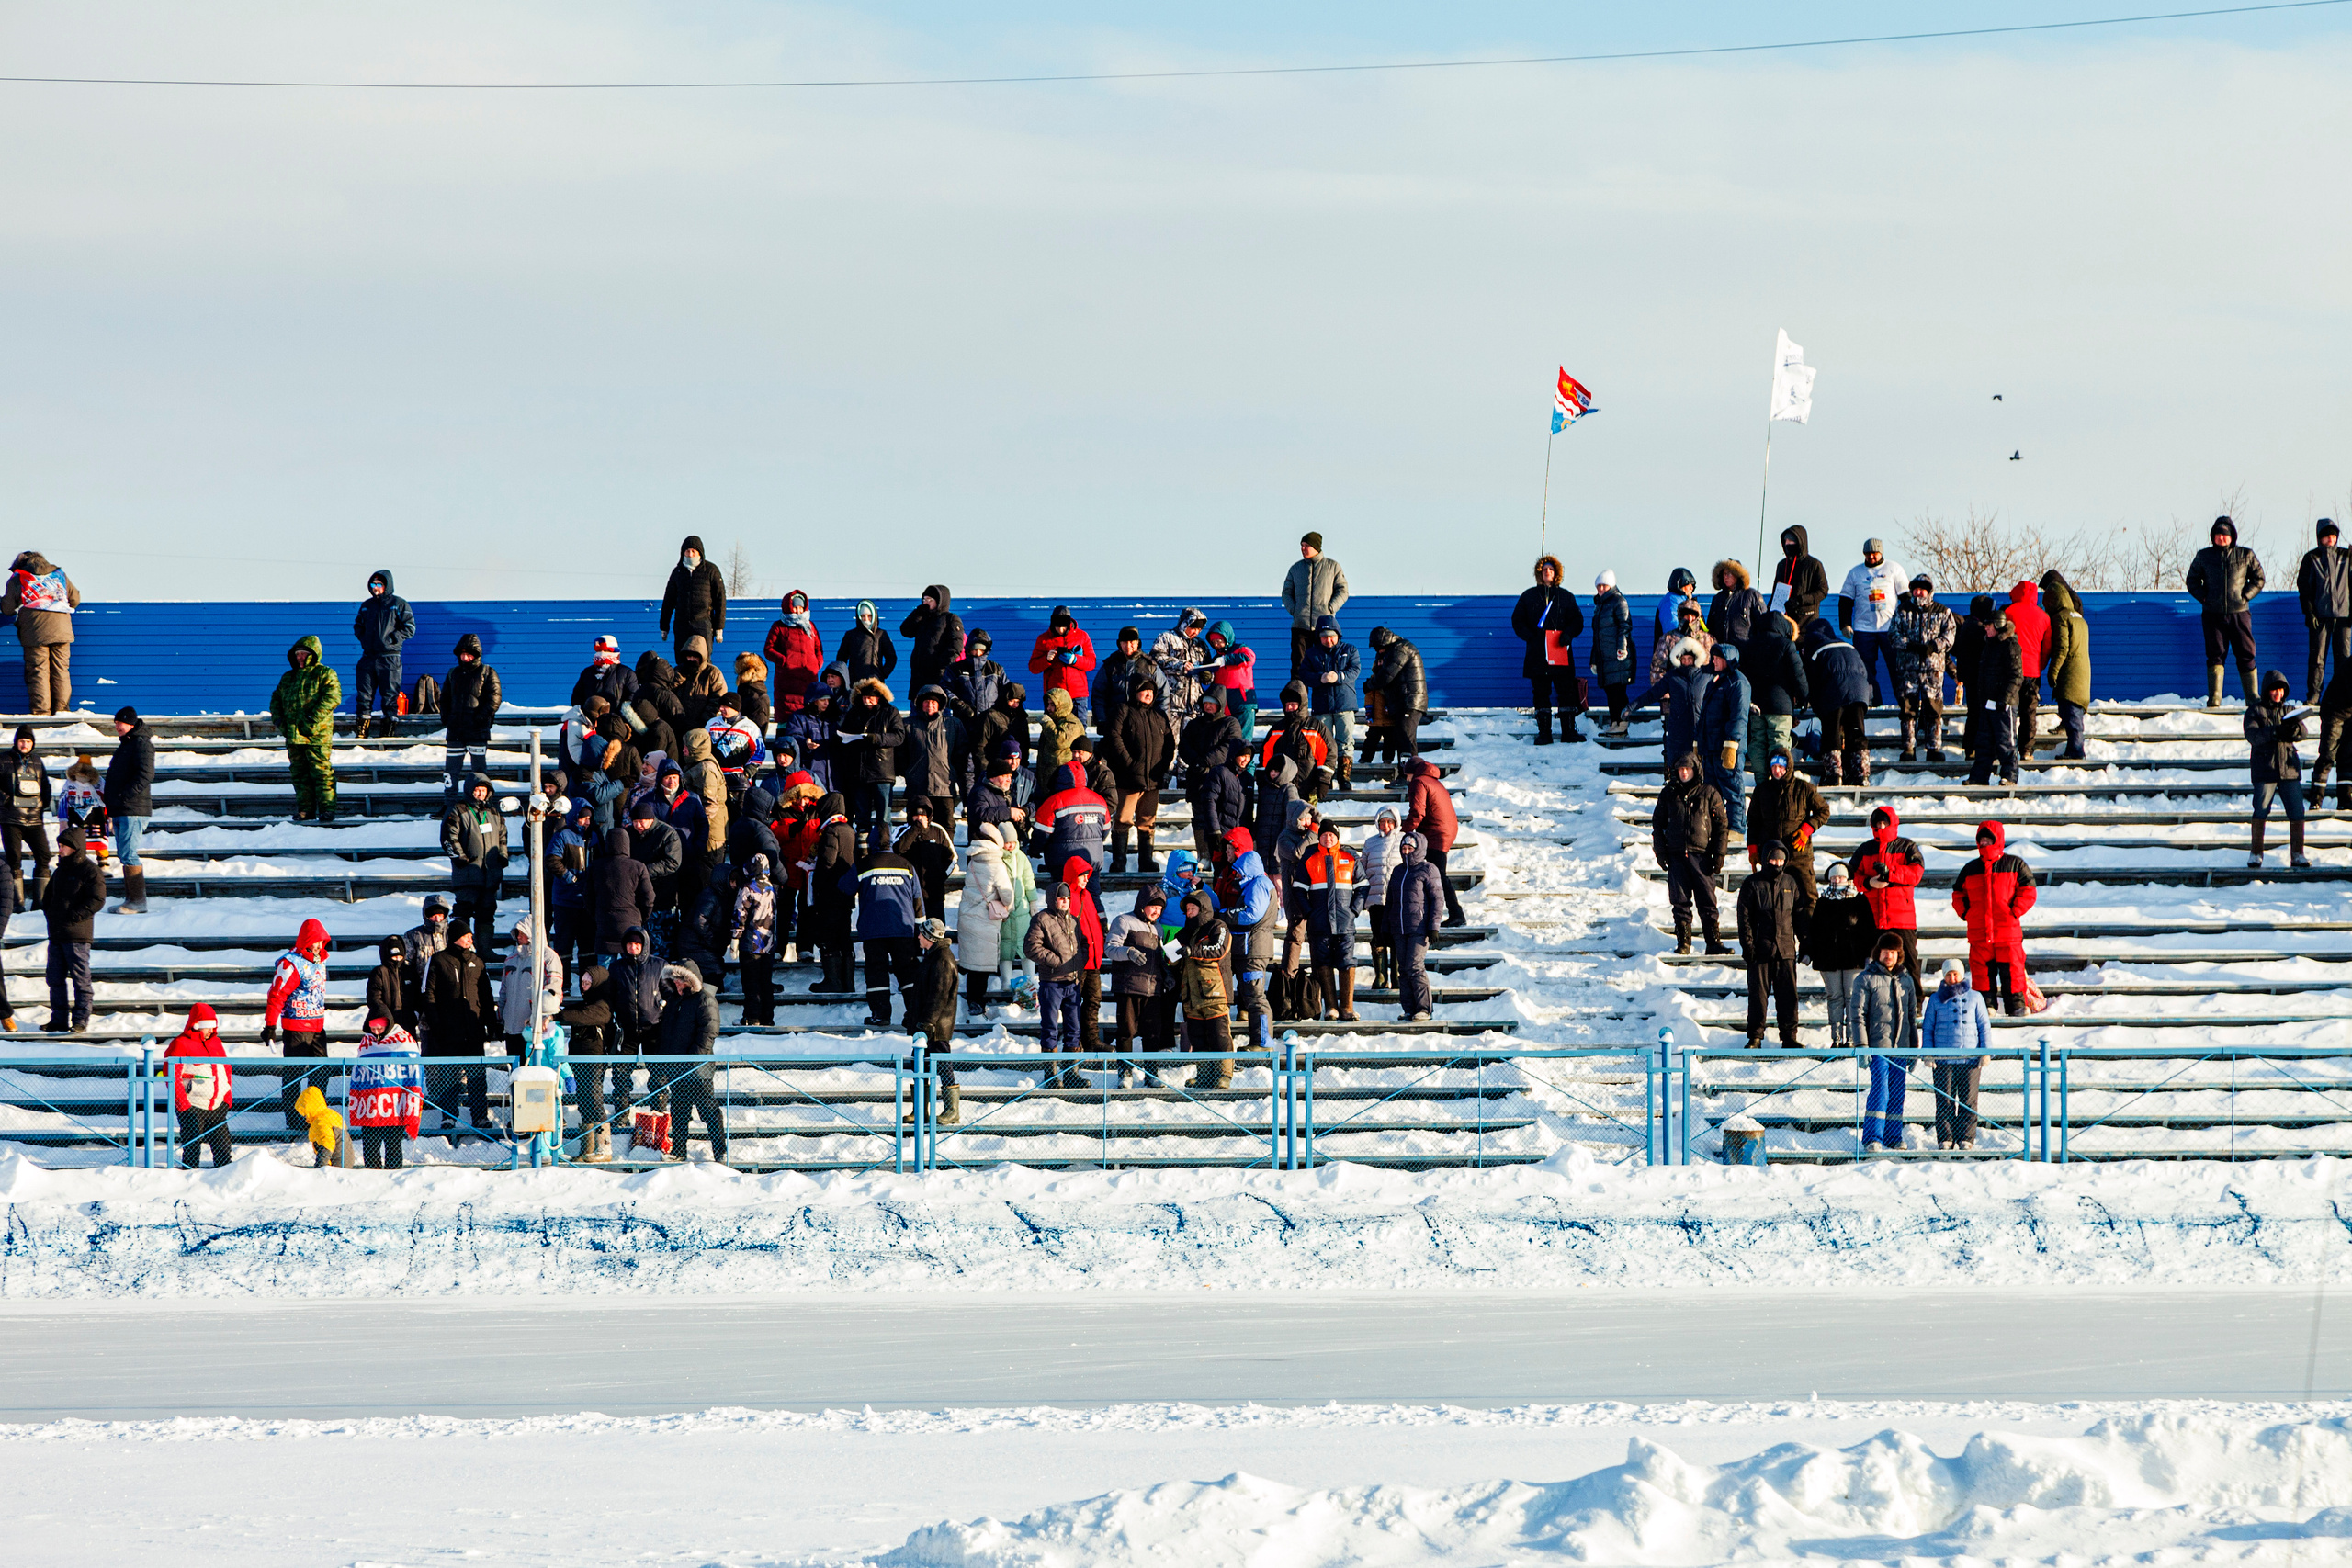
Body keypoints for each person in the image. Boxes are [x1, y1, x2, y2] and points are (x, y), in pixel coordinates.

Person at [1951, 820, 2037, 1016]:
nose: (1984, 843)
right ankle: (1985, 1006)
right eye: (1981, 839)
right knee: (1982, 973)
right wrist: (1967, 914)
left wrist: (2014, 911)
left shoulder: (2015, 864)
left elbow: (2029, 890)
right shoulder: (1970, 868)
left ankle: (2016, 1006)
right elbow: (1958, 894)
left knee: (2013, 971)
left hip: (2007, 931)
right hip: (1979, 931)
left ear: (1998, 839)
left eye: (1988, 839)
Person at [424, 920, 497, 1141]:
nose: (470, 939)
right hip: (449, 1031)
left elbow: (486, 995)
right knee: (449, 1075)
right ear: (455, 937)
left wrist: (490, 1024)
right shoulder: (438, 960)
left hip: (473, 1030)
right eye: (466, 935)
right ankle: (448, 1116)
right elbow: (429, 995)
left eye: (471, 936)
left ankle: (480, 1116)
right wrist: (437, 1025)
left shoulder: (477, 962)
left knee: (477, 1076)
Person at [1652, 751, 1729, 956]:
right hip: (1676, 855)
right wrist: (1660, 851)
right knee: (1680, 901)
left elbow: (1722, 826)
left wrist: (1719, 854)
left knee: (1707, 901)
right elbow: (1658, 823)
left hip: (1702, 856)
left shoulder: (1709, 793)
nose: (1684, 772)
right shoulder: (1668, 793)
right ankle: (1683, 942)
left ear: (1695, 770)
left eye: (1688, 768)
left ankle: (1713, 942)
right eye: (1681, 769)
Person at [260, 917, 334, 1125]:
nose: (318, 946)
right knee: (294, 1073)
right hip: (297, 1027)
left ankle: (316, 1115)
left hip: (318, 1026)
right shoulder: (291, 963)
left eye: (321, 941)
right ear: (305, 941)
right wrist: (270, 1025)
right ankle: (293, 1118)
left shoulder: (321, 961)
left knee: (321, 1072)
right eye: (314, 941)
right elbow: (277, 994)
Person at [2187, 515, 2265, 708]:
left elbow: (2259, 578)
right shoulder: (2203, 556)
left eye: (2225, 535)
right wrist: (2205, 597)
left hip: (2240, 613)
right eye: (2218, 535)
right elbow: (2192, 581)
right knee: (2215, 655)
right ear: (2213, 537)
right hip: (2213, 614)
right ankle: (2214, 699)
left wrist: (2245, 595)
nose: (2221, 538)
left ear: (2232, 537)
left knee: (2246, 654)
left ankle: (2253, 699)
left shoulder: (2245, 555)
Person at [1853, 931, 1920, 1152]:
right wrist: (1862, 1047)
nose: (1889, 956)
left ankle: (1893, 1136)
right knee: (1880, 1090)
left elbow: (1911, 1015)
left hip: (1901, 1047)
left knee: (1898, 1091)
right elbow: (1857, 1014)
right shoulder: (1865, 978)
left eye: (1893, 952)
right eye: (1885, 952)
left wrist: (1913, 1049)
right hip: (1877, 1047)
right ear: (1878, 953)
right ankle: (1873, 1137)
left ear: (1899, 954)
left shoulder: (1906, 979)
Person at [1102, 671, 1173, 874]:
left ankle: (1146, 861)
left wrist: (1163, 766)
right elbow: (1114, 738)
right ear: (1135, 692)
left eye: (1151, 690)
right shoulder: (1122, 710)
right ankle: (1119, 861)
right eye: (1144, 690)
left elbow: (1169, 743)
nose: (1149, 693)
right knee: (1123, 820)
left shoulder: (1159, 715)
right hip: (1128, 780)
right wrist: (1129, 763)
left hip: (1152, 780)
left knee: (1147, 822)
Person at [1216, 825, 1279, 1052]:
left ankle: (1263, 1041)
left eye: (1241, 871)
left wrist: (1226, 914)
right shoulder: (1259, 883)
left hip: (1254, 949)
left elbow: (1252, 914)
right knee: (1251, 995)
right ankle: (1259, 1040)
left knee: (1255, 996)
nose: (1238, 875)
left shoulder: (1258, 884)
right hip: (1251, 947)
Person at [1511, 554, 1586, 744]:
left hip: (1560, 652)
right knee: (1540, 693)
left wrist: (1568, 634)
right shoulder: (1528, 596)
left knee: (1567, 692)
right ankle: (1544, 732)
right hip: (1537, 654)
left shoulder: (1566, 597)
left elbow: (1578, 621)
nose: (1547, 573)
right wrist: (1529, 636)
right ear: (1539, 573)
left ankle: (1568, 731)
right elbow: (1517, 620)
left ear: (1557, 573)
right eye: (1544, 570)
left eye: (1551, 570)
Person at [1736, 840, 1804, 1048]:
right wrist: (1748, 946)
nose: (1777, 863)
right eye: (1773, 858)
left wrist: (1805, 944)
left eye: (1781, 859)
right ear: (1766, 859)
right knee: (1758, 996)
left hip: (1785, 950)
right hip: (1760, 949)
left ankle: (1789, 1036)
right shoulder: (1752, 883)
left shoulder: (1791, 883)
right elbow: (1744, 918)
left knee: (1788, 996)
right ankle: (1755, 1036)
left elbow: (1799, 916)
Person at [1850, 805, 1927, 989]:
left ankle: (1915, 1001)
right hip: (1872, 916)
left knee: (1908, 960)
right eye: (1878, 823)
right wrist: (1870, 883)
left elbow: (1916, 873)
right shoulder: (1865, 849)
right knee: (1874, 961)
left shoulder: (1907, 846)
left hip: (1901, 917)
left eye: (1885, 823)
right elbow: (1853, 875)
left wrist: (1890, 873)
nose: (1882, 827)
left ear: (1893, 823)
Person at [1299, 821, 1369, 1021]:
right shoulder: (1310, 858)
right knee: (1323, 962)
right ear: (1319, 837)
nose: (1327, 839)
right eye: (1324, 835)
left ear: (1337, 837)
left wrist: (1354, 910)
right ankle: (1331, 1007)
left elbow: (1363, 886)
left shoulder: (1350, 857)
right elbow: (1298, 890)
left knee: (1347, 962)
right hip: (1319, 923)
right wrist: (1310, 913)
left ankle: (1347, 1007)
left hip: (1345, 922)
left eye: (1331, 835)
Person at [1804, 862, 1878, 1050]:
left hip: (1854, 959)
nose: (1837, 880)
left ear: (1848, 879)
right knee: (1834, 997)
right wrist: (1808, 952)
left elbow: (1869, 930)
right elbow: (1814, 930)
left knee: (1852, 998)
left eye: (1841, 877)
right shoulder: (1823, 901)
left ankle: (1852, 1039)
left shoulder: (1859, 901)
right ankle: (1836, 1039)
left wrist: (1869, 955)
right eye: (1834, 877)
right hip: (1828, 959)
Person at [658, 958, 726, 1161]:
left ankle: (720, 1151)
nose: (678, 983)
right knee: (679, 1112)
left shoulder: (705, 999)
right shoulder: (674, 1001)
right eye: (675, 980)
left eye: (682, 980)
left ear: (691, 980)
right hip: (677, 1068)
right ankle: (679, 1152)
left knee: (708, 1111)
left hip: (697, 1070)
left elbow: (709, 1032)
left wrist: (692, 1060)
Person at [856, 830, 925, 1028]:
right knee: (908, 972)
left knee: (876, 972)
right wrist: (919, 927)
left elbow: (844, 888)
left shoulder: (864, 865)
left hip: (873, 930)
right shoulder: (906, 865)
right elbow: (917, 899)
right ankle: (915, 1013)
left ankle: (881, 1015)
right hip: (903, 928)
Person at [1921, 957, 1992, 1150]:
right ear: (1944, 977)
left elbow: (1984, 1026)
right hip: (1944, 1060)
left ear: (1962, 975)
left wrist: (1985, 1052)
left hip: (1970, 1059)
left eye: (1956, 974)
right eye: (1949, 974)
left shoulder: (1976, 997)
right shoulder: (1935, 999)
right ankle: (1946, 1137)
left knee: (1969, 1100)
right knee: (1945, 1100)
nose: (1953, 978)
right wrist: (1928, 1053)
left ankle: (1966, 1138)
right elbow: (1928, 1028)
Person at [1106, 886, 1175, 1077]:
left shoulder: (1158, 929)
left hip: (1153, 989)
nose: (1156, 912)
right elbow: (1110, 948)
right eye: (1153, 907)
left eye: (1160, 909)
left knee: (1152, 1033)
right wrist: (1128, 952)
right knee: (1126, 1031)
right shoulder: (1123, 921)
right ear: (1142, 904)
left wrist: (1167, 975)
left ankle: (1151, 1074)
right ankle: (1125, 1073)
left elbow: (1160, 958)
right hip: (1128, 986)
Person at [271, 635, 342, 823]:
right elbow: (276, 699)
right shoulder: (288, 677)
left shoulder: (325, 674)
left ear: (313, 654)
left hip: (316, 735)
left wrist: (312, 719)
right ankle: (305, 810)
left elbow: (332, 697)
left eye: (304, 654)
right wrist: (279, 721)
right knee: (299, 774)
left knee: (321, 772)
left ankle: (327, 809)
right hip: (293, 735)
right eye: (298, 654)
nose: (300, 657)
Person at [1748, 749, 1829, 907]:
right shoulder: (1761, 790)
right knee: (1771, 902)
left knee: (1808, 900)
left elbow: (1824, 810)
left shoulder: (1805, 788)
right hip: (1772, 856)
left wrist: (1807, 829)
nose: (1777, 770)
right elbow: (1753, 821)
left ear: (1789, 767)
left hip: (1799, 855)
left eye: (1781, 766)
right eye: (1774, 767)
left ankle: (1808, 931)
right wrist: (1753, 847)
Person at [2246, 668, 2310, 867]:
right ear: (2266, 691)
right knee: (2261, 810)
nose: (2278, 694)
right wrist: (2275, 731)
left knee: (2297, 812)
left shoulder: (2290, 710)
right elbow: (2253, 736)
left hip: (2289, 770)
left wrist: (2294, 728)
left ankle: (2298, 854)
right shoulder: (2255, 711)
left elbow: (2303, 733)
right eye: (2274, 690)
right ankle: (2256, 853)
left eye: (2281, 690)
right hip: (2265, 770)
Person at [3, 550, 79, 715]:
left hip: (35, 632)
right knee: (61, 670)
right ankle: (62, 712)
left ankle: (41, 713)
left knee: (39, 671)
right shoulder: (59, 575)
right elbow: (75, 600)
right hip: (62, 630)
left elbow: (7, 609)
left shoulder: (18, 578)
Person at [1024, 879, 1086, 1084]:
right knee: (1050, 1028)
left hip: (1073, 983)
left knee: (1074, 1028)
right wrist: (1057, 961)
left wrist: (1080, 961)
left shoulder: (1074, 920)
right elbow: (1031, 947)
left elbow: (1083, 944)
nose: (1065, 901)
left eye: (1068, 898)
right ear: (1053, 899)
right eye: (1061, 897)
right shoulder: (1041, 919)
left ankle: (1071, 1074)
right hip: (1052, 982)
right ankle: (1050, 1074)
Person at [1890, 578, 1957, 762]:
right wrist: (1910, 645)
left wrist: (1934, 646)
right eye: (1916, 589)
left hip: (1933, 669)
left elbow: (1950, 635)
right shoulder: (1902, 610)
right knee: (1907, 710)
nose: (1919, 593)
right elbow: (1893, 635)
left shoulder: (1943, 611)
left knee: (1933, 709)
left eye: (1923, 590)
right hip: (1908, 669)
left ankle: (1934, 748)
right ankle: (1909, 748)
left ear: (1929, 591)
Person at [1837, 538, 1907, 705]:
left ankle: (1905, 705)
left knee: (1897, 668)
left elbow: (1906, 598)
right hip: (1864, 630)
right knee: (1865, 671)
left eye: (1875, 554)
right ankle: (1874, 705)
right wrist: (1845, 624)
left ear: (1881, 552)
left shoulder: (1894, 568)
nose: (1872, 557)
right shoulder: (1855, 573)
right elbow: (1845, 600)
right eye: (1868, 554)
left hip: (1890, 629)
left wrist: (1906, 625)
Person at [349, 1014, 424, 1170]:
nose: (376, 1032)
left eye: (380, 1028)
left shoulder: (403, 1039)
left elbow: (414, 1070)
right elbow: (359, 1072)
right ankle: (372, 1176)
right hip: (371, 1105)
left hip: (394, 1106)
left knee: (394, 1146)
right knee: (370, 1146)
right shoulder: (367, 1041)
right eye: (373, 1028)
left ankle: (394, 1176)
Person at [1174, 891, 1235, 1084]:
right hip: (1191, 995)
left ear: (1203, 908)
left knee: (1219, 1035)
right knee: (1197, 1038)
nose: (1189, 912)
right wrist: (1169, 956)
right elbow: (1172, 958)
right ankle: (1205, 1076)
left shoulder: (1218, 926)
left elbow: (1218, 949)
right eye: (1187, 910)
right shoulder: (1183, 933)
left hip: (1214, 992)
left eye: (1193, 908)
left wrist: (1192, 951)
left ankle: (1223, 1075)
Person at [560, 962, 618, 1161]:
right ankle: (587, 1148)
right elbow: (574, 1010)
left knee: (594, 1099)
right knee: (584, 1101)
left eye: (588, 982)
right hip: (579, 1058)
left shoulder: (603, 1005)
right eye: (582, 982)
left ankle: (604, 1149)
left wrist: (556, 1015)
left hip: (594, 1059)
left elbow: (579, 1016)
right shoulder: (585, 1003)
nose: (584, 986)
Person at [1800, 617, 1870, 786]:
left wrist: (1813, 704)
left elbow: (1809, 680)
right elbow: (1864, 672)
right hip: (1859, 691)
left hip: (1833, 691)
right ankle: (1861, 774)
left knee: (1831, 732)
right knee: (1856, 731)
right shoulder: (1848, 645)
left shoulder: (1814, 649)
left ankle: (1834, 774)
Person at [164, 1003, 233, 1169]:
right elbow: (172, 1075)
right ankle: (189, 1184)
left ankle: (224, 1183)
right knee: (192, 1152)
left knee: (224, 1150)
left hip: (217, 1106)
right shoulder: (180, 1043)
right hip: (192, 1107)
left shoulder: (216, 1043)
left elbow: (226, 1070)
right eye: (207, 1027)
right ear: (197, 1026)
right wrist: (183, 1105)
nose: (211, 1031)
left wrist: (226, 1098)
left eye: (213, 1027)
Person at [1386, 829, 1445, 1021]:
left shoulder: (1428, 869)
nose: (1406, 851)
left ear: (1418, 849)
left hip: (1419, 928)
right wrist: (1386, 927)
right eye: (1404, 848)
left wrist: (1434, 925)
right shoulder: (1397, 871)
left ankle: (1424, 1009)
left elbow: (1437, 898)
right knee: (1402, 969)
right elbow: (1391, 901)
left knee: (1415, 966)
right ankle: (1410, 1009)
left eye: (1410, 848)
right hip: (1399, 928)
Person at [1401, 754, 1465, 928]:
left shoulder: (1419, 782)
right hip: (1444, 830)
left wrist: (1404, 830)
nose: (1406, 779)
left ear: (1411, 772)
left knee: (1438, 876)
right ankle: (1445, 913)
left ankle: (1456, 914)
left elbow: (1417, 812)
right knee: (1434, 874)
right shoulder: (1434, 781)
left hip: (1435, 832)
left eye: (1406, 775)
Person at [441, 773, 510, 935]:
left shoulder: (493, 812)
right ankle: (461, 949)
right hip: (467, 874)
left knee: (486, 912)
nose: (480, 794)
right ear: (470, 790)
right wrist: (462, 859)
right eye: (477, 790)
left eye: (483, 790)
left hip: (490, 874)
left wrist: (503, 857)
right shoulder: (458, 810)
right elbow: (449, 838)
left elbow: (502, 837)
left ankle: (484, 950)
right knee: (463, 911)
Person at [838, 678, 905, 842]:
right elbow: (843, 735)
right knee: (862, 816)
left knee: (884, 816)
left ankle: (885, 846)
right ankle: (863, 847)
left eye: (871, 698)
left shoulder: (890, 712)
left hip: (882, 771)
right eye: (865, 698)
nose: (867, 701)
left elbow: (899, 736)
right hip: (859, 772)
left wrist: (876, 739)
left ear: (879, 697)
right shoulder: (854, 713)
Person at [1741, 613, 1808, 779]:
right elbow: (1798, 675)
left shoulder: (1749, 646)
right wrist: (1804, 697)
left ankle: (1762, 781)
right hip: (1780, 706)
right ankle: (1779, 782)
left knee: (1758, 743)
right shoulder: (1786, 645)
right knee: (1778, 744)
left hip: (1756, 706)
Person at [1634, 633, 1711, 774]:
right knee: (1680, 771)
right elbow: (1653, 694)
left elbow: (1724, 691)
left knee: (1701, 772)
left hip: (1700, 730)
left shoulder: (1706, 676)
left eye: (1689, 659)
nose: (1687, 662)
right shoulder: (1672, 677)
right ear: (1679, 660)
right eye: (1684, 659)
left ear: (1695, 659)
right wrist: (1632, 706)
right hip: (1679, 732)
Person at [351, 569, 415, 739]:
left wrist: (393, 639)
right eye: (373, 584)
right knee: (364, 696)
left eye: (379, 584)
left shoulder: (399, 604)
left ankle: (387, 733)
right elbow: (358, 626)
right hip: (368, 657)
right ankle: (361, 732)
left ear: (387, 585)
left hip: (390, 658)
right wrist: (364, 638)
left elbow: (410, 628)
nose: (376, 588)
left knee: (389, 697)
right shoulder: (366, 606)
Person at [103, 705, 153, 914]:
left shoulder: (141, 744)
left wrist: (125, 795)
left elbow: (146, 774)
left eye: (120, 723)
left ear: (130, 723)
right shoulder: (127, 744)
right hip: (122, 809)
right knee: (125, 854)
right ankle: (131, 899)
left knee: (129, 854)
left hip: (133, 809)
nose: (117, 726)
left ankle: (138, 901)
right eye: (115, 723)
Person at [1300, 616, 1361, 789]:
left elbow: (1355, 670)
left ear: (1338, 634)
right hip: (1322, 706)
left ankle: (1344, 778)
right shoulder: (1312, 653)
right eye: (1324, 636)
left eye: (1332, 636)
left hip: (1345, 704)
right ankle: (1325, 778)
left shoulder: (1350, 650)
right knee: (1322, 743)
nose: (1329, 640)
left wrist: (1339, 677)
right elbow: (1304, 674)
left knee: (1345, 741)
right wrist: (1320, 678)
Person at [437, 634, 501, 799]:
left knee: (479, 772)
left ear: (477, 654)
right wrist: (447, 719)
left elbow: (494, 700)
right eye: (462, 654)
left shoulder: (487, 672)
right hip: (455, 732)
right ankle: (449, 805)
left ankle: (480, 804)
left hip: (477, 732)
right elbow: (444, 699)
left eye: (469, 654)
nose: (465, 657)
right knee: (451, 772)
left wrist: (479, 720)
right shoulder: (453, 673)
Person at [2037, 571, 2092, 760]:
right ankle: (2074, 748)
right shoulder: (2079, 618)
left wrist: (2053, 672)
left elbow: (2062, 648)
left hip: (2070, 673)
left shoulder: (2061, 618)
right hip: (2082, 671)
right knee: (2072, 712)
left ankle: (2076, 751)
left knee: (2072, 713)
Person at [1965, 612, 2024, 788]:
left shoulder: (2010, 645)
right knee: (1984, 742)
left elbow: (2016, 676)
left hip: (2004, 705)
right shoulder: (1989, 644)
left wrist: (2004, 699)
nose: (1986, 628)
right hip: (1987, 703)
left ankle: (2010, 776)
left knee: (2006, 742)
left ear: (1998, 625)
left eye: (1989, 625)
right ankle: (1979, 776)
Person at [1282, 532, 1351, 681]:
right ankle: (1300, 702)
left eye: (1306, 545)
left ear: (1316, 547)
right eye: (1301, 545)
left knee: (1327, 666)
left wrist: (1330, 608)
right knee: (1298, 668)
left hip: (1325, 628)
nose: (1303, 548)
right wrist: (1295, 611)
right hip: (1300, 627)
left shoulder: (1332, 567)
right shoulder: (1296, 569)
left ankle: (1327, 702)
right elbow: (1286, 593)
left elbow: (1343, 591)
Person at [894, 684, 965, 831]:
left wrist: (954, 771)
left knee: (946, 826)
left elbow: (962, 752)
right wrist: (908, 772)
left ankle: (945, 854)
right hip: (917, 787)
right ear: (920, 704)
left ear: (940, 704)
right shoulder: (908, 726)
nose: (930, 705)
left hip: (944, 786)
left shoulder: (952, 724)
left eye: (933, 702)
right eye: (926, 701)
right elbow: (900, 753)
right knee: (916, 826)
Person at [1697, 643, 1750, 833]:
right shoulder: (1716, 682)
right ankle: (1716, 828)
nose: (1713, 660)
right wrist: (1699, 742)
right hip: (1711, 747)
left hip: (1727, 748)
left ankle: (1736, 829)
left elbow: (1739, 716)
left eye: (1717, 658)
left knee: (1732, 789)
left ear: (1728, 660)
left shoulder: (1738, 682)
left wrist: (1732, 744)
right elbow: (1705, 716)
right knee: (1711, 792)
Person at [1031, 761, 1112, 883]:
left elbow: (1042, 834)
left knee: (1064, 897)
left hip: (1062, 862)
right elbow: (1105, 831)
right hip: (1092, 860)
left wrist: (1035, 849)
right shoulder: (1100, 801)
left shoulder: (1053, 802)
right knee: (1092, 897)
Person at [1360, 626, 1427, 768]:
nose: (1378, 651)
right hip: (1407, 701)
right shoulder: (1397, 649)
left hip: (1409, 701)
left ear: (1384, 642)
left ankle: (1405, 776)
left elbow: (1386, 676)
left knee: (1404, 739)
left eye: (1378, 647)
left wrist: (1369, 684)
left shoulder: (1400, 649)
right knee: (1407, 739)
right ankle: (1411, 775)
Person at [2300, 520, 2350, 704]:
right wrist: (2310, 613)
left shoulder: (2347, 556)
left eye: (2334, 535)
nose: (2331, 539)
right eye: (2327, 536)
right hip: (2320, 617)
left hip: (2343, 617)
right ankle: (2314, 695)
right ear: (2320, 538)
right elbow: (2304, 589)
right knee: (2317, 659)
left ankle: (2343, 696)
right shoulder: (2311, 558)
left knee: (2343, 660)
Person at [660, 536, 728, 668]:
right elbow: (668, 601)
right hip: (681, 624)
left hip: (703, 623)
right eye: (687, 551)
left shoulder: (710, 571)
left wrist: (719, 627)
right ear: (682, 553)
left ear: (700, 553)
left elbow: (720, 600)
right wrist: (664, 626)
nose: (690, 554)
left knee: (704, 660)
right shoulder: (678, 572)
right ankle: (681, 687)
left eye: (693, 551)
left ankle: (706, 687)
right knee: (681, 660)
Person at [498, 917, 563, 1055]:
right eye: (517, 933)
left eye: (522, 932)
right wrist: (500, 1017)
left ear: (533, 932)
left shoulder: (548, 957)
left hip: (534, 1028)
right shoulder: (510, 959)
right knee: (515, 1073)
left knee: (532, 1073)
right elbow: (504, 992)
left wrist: (546, 1016)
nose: (519, 936)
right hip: (511, 1027)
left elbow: (554, 989)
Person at [5, 725, 52, 908]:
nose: (25, 745)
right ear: (16, 742)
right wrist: (7, 800)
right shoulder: (3, 759)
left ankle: (40, 903)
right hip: (11, 818)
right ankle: (17, 902)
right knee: (14, 858)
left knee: (44, 855)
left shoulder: (38, 761)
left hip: (34, 818)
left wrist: (43, 804)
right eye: (22, 741)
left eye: (28, 742)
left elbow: (46, 785)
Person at [732, 852, 781, 1025]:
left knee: (751, 982)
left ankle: (752, 1017)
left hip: (750, 943)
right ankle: (768, 1017)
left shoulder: (748, 888)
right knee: (765, 982)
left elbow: (740, 914)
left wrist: (735, 937)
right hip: (768, 943)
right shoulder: (772, 889)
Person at [2005, 580, 2052, 761]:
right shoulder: (2044, 617)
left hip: (2011, 670)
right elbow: (2047, 648)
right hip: (2033, 671)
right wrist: (2040, 666)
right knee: (2029, 712)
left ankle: (2008, 748)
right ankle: (2026, 750)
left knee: (2010, 710)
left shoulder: (2009, 612)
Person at [1584, 571, 1635, 733]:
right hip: (1605, 659)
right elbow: (1597, 636)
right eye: (1598, 586)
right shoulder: (1600, 606)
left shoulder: (1618, 601)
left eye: (1603, 585)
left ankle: (1622, 724)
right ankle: (1615, 722)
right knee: (1611, 692)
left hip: (1618, 658)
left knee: (1619, 692)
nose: (1600, 589)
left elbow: (1625, 626)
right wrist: (1594, 660)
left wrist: (1622, 648)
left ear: (1611, 586)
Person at [1194, 620, 1259, 750]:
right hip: (1225, 706)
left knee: (1244, 743)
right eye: (1214, 642)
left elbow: (1250, 658)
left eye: (1219, 640)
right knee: (1229, 743)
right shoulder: (1216, 660)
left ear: (1227, 637)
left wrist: (1226, 660)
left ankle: (1247, 770)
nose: (1216, 644)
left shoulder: (1241, 649)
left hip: (1243, 703)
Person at [1360, 806, 1403, 992]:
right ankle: (1380, 976)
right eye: (1382, 822)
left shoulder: (1403, 840)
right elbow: (1362, 867)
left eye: (1389, 822)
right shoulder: (1370, 843)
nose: (1386, 825)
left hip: (1396, 899)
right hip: (1375, 898)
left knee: (1396, 937)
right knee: (1378, 936)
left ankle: (1397, 976)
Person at [1150, 609, 1210, 743]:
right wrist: (1179, 664)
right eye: (1193, 628)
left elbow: (1209, 667)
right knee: (1169, 745)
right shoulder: (1167, 638)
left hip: (1194, 706)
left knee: (1190, 746)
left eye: (1199, 629)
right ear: (1184, 624)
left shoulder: (1200, 645)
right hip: (1172, 704)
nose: (1196, 632)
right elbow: (1155, 658)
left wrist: (1207, 676)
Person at [763, 591, 826, 714]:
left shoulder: (810, 626)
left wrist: (817, 663)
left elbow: (818, 648)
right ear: (788, 607)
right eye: (795, 607)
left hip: (809, 677)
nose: (798, 611)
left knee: (810, 715)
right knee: (787, 716)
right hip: (787, 680)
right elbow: (768, 649)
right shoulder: (779, 626)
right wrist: (783, 661)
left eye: (801, 608)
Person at [895, 799, 956, 924]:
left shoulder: (938, 830)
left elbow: (952, 857)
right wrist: (915, 829)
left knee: (936, 928)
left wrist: (941, 876)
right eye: (916, 814)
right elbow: (898, 849)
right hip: (910, 892)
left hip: (934, 892)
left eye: (923, 815)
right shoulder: (902, 831)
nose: (920, 818)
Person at [1091, 626, 1161, 730]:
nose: (1128, 646)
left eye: (1132, 642)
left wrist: (1160, 721)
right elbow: (1098, 695)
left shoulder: (1150, 666)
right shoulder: (1110, 666)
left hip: (1145, 726)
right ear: (1119, 644)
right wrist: (1102, 720)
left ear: (1138, 643)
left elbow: (1163, 695)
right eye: (1124, 642)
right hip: (1116, 724)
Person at [899, 585, 966, 693]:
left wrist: (942, 667)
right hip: (919, 677)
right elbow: (905, 631)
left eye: (929, 600)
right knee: (918, 706)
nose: (926, 602)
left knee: (938, 707)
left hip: (939, 677)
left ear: (940, 601)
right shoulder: (922, 619)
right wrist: (918, 613)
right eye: (924, 599)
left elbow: (956, 645)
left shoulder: (951, 619)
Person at [706, 690, 767, 800]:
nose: (721, 709)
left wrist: (748, 772)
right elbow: (704, 747)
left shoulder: (749, 727)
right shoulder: (712, 724)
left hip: (740, 780)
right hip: (716, 777)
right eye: (720, 706)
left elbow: (759, 751)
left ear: (735, 708)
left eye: (725, 706)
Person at [1768, 526, 1829, 630]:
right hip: (1784, 621)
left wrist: (1801, 600)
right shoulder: (1782, 565)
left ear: (1800, 542)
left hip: (1806, 621)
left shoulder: (1814, 564)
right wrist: (1770, 608)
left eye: (1791, 540)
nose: (1788, 544)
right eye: (1786, 541)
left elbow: (1823, 591)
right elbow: (1775, 591)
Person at [836, 600, 898, 688]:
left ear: (874, 616)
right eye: (863, 616)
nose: (866, 620)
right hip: (855, 682)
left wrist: (882, 674)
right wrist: (846, 676)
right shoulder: (851, 635)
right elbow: (841, 659)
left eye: (869, 616)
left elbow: (891, 657)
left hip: (875, 682)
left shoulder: (881, 634)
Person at [1706, 558, 1764, 648]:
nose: (1726, 577)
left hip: (1745, 651)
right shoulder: (1717, 599)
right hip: (1721, 652)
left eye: (1729, 574)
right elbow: (1710, 627)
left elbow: (1763, 623)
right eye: (1724, 574)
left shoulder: (1751, 595)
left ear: (1738, 575)